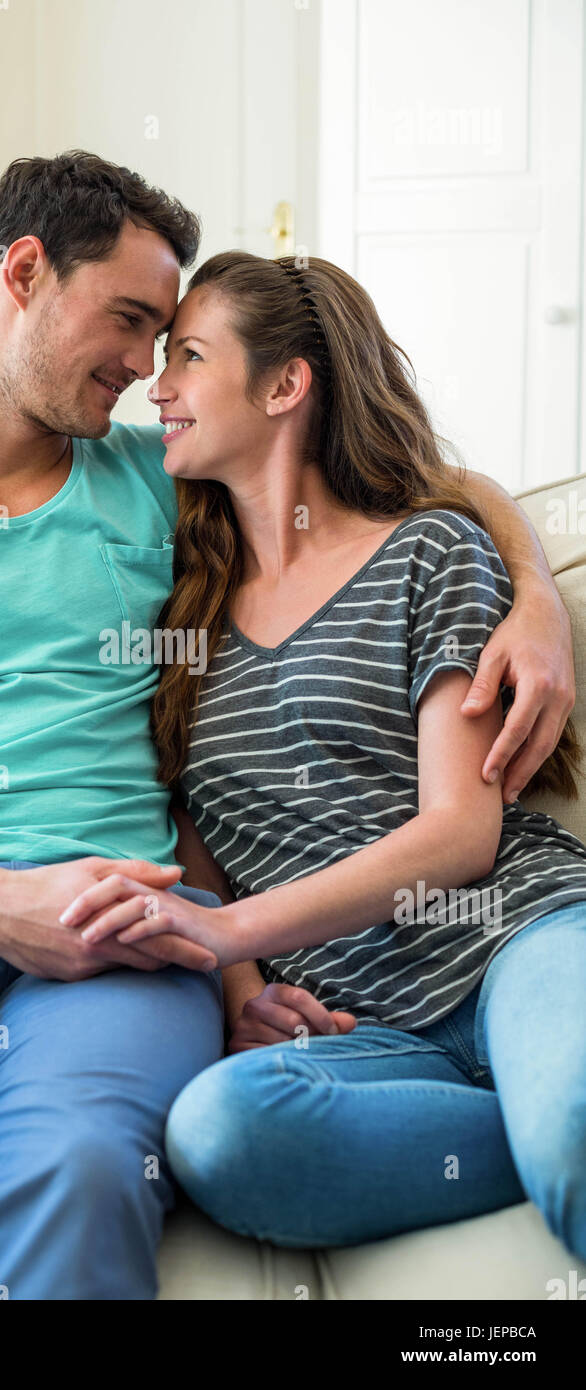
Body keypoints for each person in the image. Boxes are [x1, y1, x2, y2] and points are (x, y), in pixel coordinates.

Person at [0, 151, 575, 1300]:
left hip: (128, 920)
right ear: (23, 273)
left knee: (79, 1174)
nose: (142, 369)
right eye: (129, 322)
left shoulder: (155, 477)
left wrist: (534, 601)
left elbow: (419, 480)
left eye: (169, 339)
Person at [58, 250, 586, 1262]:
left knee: (569, 1115)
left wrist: (215, 935)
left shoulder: (426, 549)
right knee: (219, 1131)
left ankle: (544, 1102)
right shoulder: (181, 611)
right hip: (359, 1031)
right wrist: (242, 987)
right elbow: (196, 843)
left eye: (189, 356)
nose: (154, 385)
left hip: (516, 942)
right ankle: (520, 1110)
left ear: (284, 384)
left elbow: (456, 836)